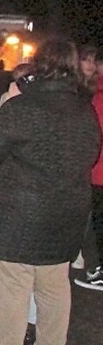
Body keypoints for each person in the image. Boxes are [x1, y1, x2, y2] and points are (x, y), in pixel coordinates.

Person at [0, 39, 99, 345]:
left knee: (12, 298)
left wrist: (6, 102)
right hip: (65, 217)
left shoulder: (21, 106)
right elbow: (92, 155)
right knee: (55, 292)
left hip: (17, 220)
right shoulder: (85, 110)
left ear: (38, 64)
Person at [76, 46, 103, 290]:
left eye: (94, 61)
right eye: (87, 60)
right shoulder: (80, 88)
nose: (91, 65)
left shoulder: (94, 90)